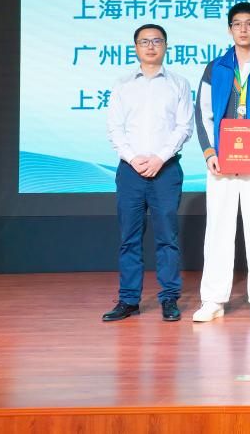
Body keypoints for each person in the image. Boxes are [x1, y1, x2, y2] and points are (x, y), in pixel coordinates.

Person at [192, 2, 250, 323]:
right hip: (221, 164)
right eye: (237, 24)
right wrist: (209, 153)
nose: (243, 29)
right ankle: (213, 299)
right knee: (218, 231)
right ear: (229, 29)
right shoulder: (215, 68)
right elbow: (202, 113)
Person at [103, 24, 194, 323]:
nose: (151, 46)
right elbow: (115, 128)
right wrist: (133, 159)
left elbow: (184, 127)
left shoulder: (179, 83)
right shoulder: (122, 85)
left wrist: (159, 158)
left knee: (167, 237)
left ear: (166, 46)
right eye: (144, 41)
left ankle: (169, 298)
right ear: (135, 47)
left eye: (157, 41)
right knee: (129, 238)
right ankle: (129, 300)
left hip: (166, 169)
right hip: (130, 171)